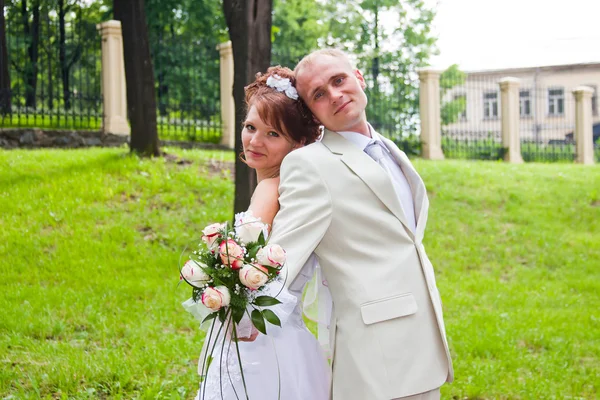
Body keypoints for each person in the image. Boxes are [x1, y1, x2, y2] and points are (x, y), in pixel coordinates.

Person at [268, 49, 454, 400]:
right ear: (312, 112)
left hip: (423, 346)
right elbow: (283, 258)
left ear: (359, 78)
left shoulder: (388, 149)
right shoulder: (309, 165)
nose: (335, 95)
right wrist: (242, 306)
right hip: (376, 360)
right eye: (319, 94)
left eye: (338, 80)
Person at [193, 66, 330, 400]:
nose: (254, 141)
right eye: (250, 127)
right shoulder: (291, 188)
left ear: (299, 142)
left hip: (260, 340)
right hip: (286, 338)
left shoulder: (271, 188)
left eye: (272, 134)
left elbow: (250, 270)